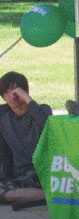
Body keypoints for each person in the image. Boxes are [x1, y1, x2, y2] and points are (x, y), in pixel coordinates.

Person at [0, 71, 52, 204]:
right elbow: (4, 152)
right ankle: (54, 195)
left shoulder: (41, 111)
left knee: (9, 193)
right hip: (18, 175)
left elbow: (49, 128)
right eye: (6, 93)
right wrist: (8, 176)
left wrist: (27, 100)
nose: (12, 96)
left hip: (40, 172)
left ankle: (55, 195)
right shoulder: (3, 114)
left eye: (16, 91)